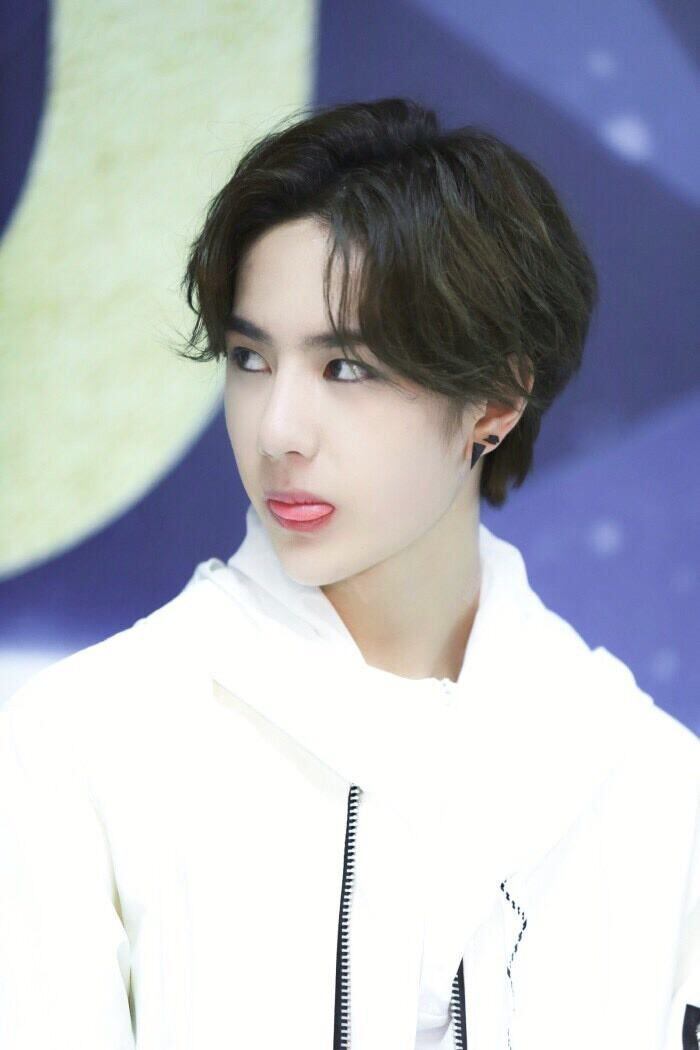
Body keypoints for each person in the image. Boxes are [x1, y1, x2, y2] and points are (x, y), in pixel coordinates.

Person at [0, 97, 698, 1050]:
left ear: (496, 398)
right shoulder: (88, 744)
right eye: (250, 357)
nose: (277, 430)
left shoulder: (650, 788)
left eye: (346, 367)